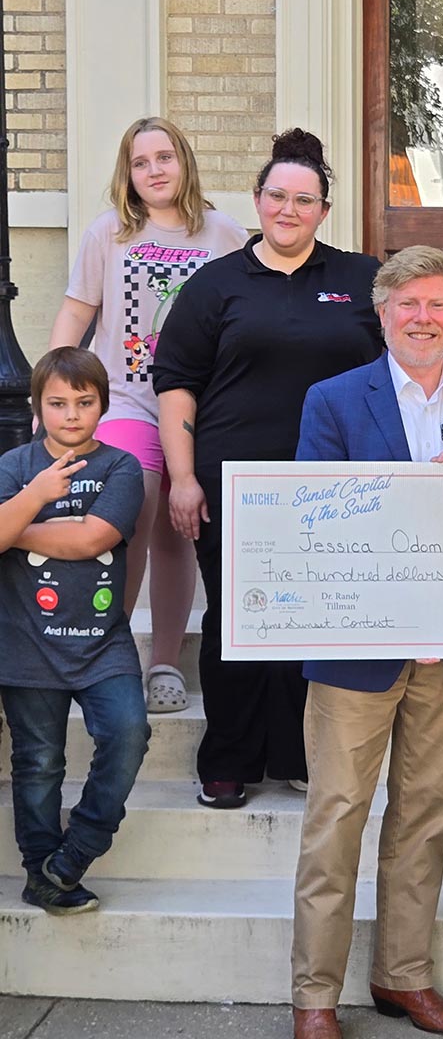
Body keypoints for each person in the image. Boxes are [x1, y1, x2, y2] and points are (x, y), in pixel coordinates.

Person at [290, 246, 443, 1039]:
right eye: (407, 304)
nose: (422, 318)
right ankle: (315, 997)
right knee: (337, 817)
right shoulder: (333, 399)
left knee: (425, 813)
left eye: (437, 304)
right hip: (357, 644)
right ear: (382, 313)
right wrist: (419, 494)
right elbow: (313, 511)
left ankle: (403, 978)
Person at [152, 129, 381, 809]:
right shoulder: (216, 284)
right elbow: (176, 384)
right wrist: (184, 477)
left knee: (314, 620)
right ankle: (229, 759)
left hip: (334, 488)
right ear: (257, 201)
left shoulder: (358, 278)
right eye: (277, 196)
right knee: (238, 619)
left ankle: (296, 753)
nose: (289, 209)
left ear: (323, 209)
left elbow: (397, 368)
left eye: (303, 199)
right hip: (234, 485)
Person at [49, 117, 248, 713]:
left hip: (198, 405)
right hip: (128, 401)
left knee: (177, 530)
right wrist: (52, 395)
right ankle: (112, 655)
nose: (155, 170)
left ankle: (163, 661)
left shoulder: (223, 233)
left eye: (164, 157)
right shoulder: (109, 233)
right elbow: (75, 315)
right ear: (128, 174)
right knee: (131, 507)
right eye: (141, 163)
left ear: (183, 162)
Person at [0, 348, 149, 914]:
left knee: (128, 734)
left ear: (103, 406)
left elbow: (92, 540)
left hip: (102, 643)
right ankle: (41, 871)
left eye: (84, 402)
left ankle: (77, 852)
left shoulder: (120, 467)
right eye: (58, 403)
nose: (71, 414)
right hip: (25, 641)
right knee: (38, 762)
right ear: (38, 407)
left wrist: (20, 523)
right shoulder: (16, 467)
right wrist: (35, 497)